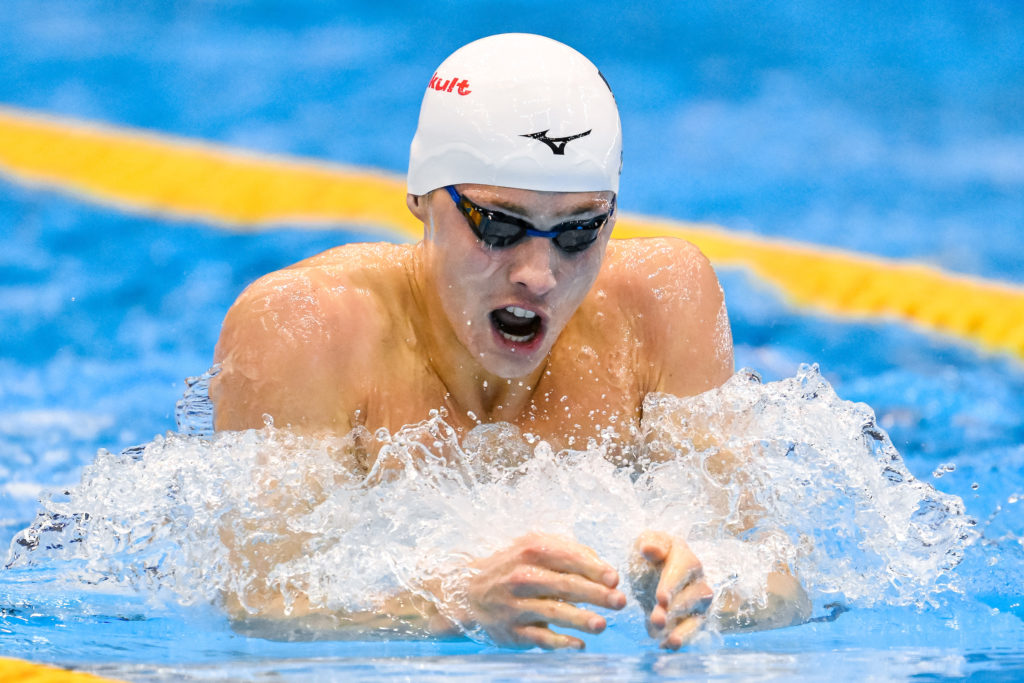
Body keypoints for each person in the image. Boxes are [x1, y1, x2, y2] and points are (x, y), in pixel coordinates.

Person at [210, 33, 810, 650]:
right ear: (421, 195)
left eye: (579, 231)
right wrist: (453, 601)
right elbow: (262, 605)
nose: (539, 274)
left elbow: (784, 586)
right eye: (498, 225)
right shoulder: (309, 326)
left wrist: (712, 585)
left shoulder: (661, 303)